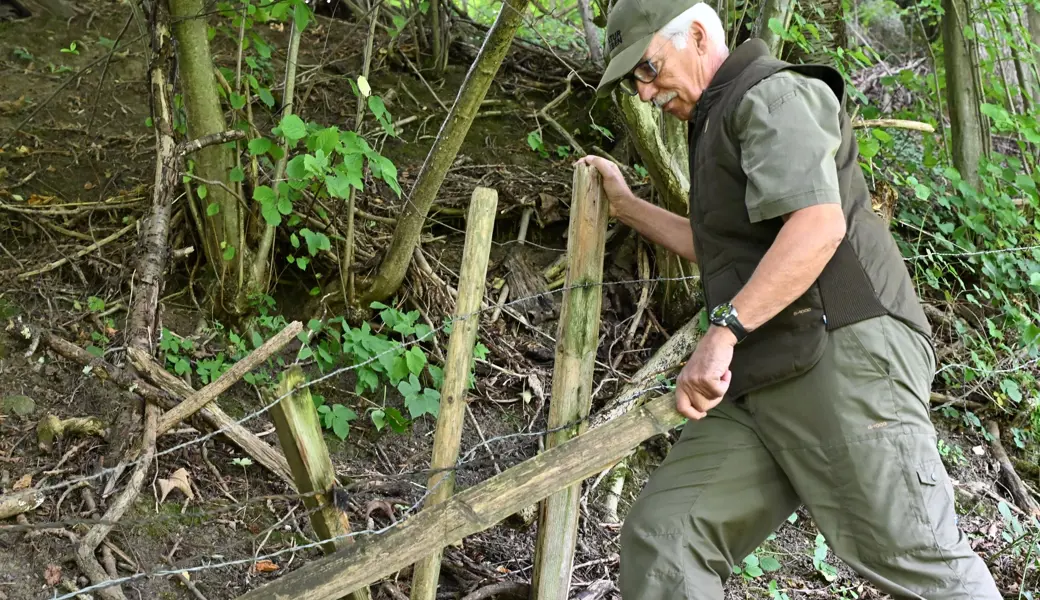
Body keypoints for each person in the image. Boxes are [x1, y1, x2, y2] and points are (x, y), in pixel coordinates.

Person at [576, 1, 1002, 598]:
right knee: (668, 536)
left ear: (697, 36)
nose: (644, 92)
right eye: (633, 80)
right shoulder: (721, 115)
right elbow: (725, 251)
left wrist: (722, 333)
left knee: (916, 559)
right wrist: (626, 207)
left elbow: (817, 228)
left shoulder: (773, 95)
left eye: (647, 68)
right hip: (766, 370)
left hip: (843, 353)